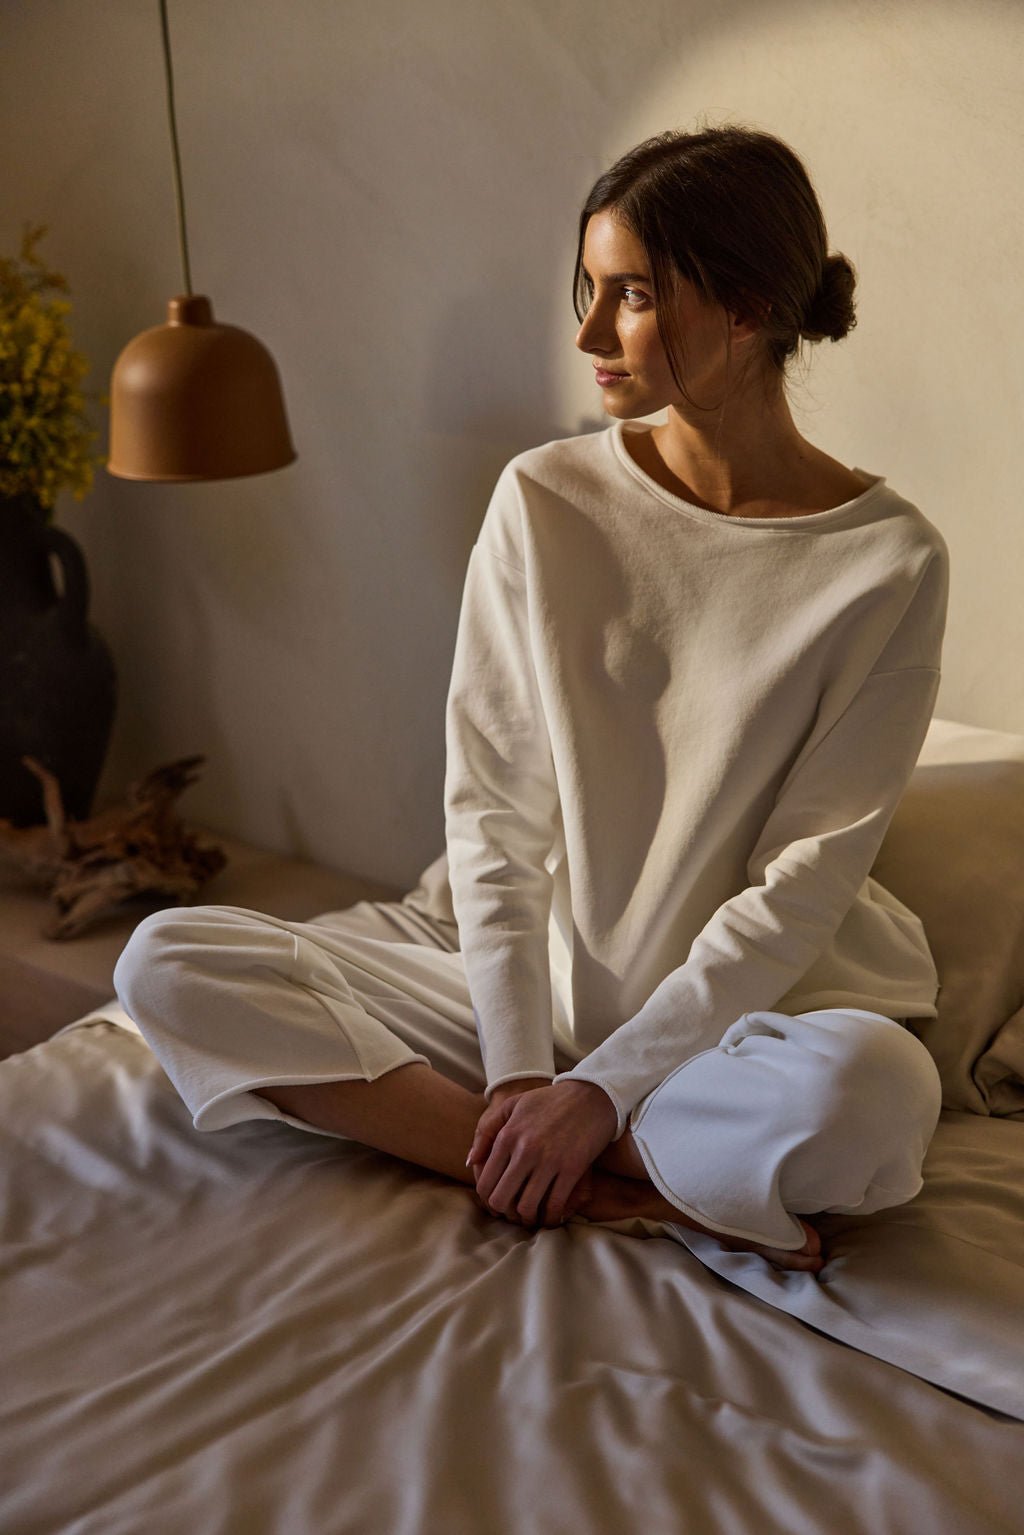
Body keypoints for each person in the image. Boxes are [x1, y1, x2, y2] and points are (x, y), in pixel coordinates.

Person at [114, 126, 947, 1277]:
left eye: (634, 296)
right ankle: (563, 1168)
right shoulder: (545, 497)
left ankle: (582, 1142)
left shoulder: (888, 562)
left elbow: (802, 885)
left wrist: (602, 1087)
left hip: (754, 1019)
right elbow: (495, 819)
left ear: (749, 306)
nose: (588, 334)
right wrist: (519, 1080)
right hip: (532, 1002)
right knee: (164, 960)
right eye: (589, 289)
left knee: (875, 1097)